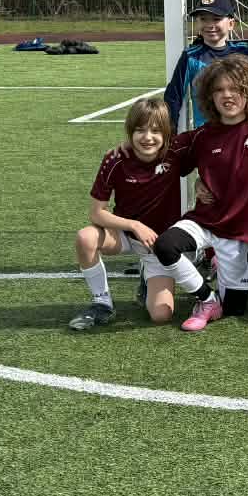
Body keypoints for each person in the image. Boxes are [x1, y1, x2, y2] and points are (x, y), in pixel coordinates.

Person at [155, 55, 248, 332]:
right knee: (165, 245)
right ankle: (207, 300)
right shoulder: (201, 136)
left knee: (236, 309)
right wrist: (125, 150)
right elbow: (160, 152)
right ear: (210, 96)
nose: (227, 95)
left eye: (235, 89)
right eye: (219, 90)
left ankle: (219, 264)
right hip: (205, 220)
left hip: (241, 231)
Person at [69, 95, 189, 330]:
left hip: (159, 244)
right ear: (130, 131)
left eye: (155, 130)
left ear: (166, 133)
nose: (147, 137)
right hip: (123, 234)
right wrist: (134, 225)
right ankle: (102, 303)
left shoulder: (175, 153)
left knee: (161, 315)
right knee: (86, 237)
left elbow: (212, 139)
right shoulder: (115, 159)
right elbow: (96, 213)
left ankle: (146, 275)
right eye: (140, 130)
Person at [162, 0, 248, 127]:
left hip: (241, 131)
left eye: (216, 19)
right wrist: (170, 132)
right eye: (203, 19)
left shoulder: (244, 52)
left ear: (231, 24)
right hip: (207, 133)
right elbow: (173, 97)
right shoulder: (191, 57)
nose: (209, 24)